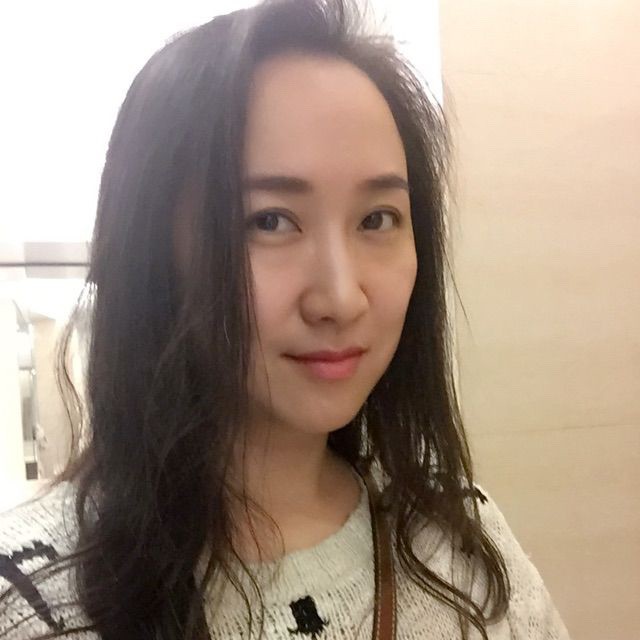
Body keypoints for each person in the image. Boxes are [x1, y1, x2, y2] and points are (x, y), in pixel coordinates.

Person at [0, 0, 571, 638]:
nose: (342, 298)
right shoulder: (31, 598)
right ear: (151, 248)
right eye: (270, 221)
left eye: (377, 218)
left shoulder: (459, 543)